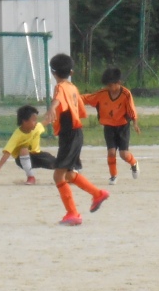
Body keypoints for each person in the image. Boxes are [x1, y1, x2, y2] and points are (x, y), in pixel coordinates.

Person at [43, 54, 109, 226]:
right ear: (71, 72)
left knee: (58, 175)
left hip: (70, 135)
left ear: (53, 72)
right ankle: (97, 194)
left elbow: (58, 99)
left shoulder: (60, 87)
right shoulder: (72, 87)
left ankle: (73, 213)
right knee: (68, 174)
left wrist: (51, 108)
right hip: (75, 133)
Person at [82, 67, 141, 185]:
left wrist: (135, 123)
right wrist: (73, 97)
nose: (109, 88)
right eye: (107, 85)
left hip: (122, 126)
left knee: (124, 154)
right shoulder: (102, 93)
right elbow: (87, 98)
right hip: (109, 126)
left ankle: (134, 163)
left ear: (118, 83)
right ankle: (113, 175)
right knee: (111, 152)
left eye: (110, 85)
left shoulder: (126, 94)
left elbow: (131, 109)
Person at [0, 105, 56, 184]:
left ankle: (67, 176)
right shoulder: (17, 135)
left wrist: (53, 116)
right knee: (24, 149)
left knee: (58, 164)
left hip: (38, 155)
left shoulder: (36, 127)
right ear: (24, 121)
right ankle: (31, 177)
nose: (36, 123)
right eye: (33, 120)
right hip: (22, 159)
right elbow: (7, 153)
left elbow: (44, 122)